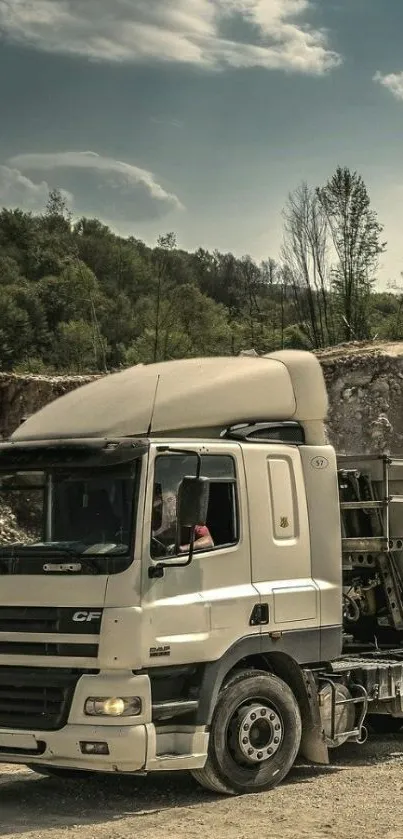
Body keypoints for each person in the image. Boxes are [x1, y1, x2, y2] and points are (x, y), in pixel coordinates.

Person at [151, 490, 214, 555]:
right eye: (163, 503)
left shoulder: (188, 519)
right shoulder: (153, 522)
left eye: (170, 500)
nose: (167, 505)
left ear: (177, 501)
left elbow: (209, 541)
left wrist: (182, 549)